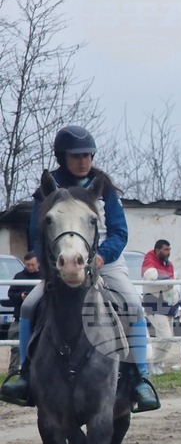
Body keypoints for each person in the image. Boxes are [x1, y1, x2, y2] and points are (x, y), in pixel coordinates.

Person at [0, 126, 159, 411]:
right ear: (63, 157)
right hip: (63, 263)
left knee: (133, 305)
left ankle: (140, 378)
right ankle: (24, 374)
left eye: (87, 155)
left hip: (105, 261)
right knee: (29, 307)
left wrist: (101, 257)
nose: (83, 160)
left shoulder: (103, 189)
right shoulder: (47, 190)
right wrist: (48, 261)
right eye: (76, 155)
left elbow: (119, 232)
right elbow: (38, 234)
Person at [141, 240, 180, 375]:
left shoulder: (168, 264)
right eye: (165, 249)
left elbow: (171, 283)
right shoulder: (149, 261)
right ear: (157, 250)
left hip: (168, 304)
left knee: (167, 339)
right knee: (166, 337)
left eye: (169, 249)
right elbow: (150, 276)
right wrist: (166, 280)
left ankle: (157, 364)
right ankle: (153, 364)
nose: (168, 252)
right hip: (154, 305)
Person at [2, 253, 41, 374]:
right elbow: (11, 295)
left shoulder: (45, 276)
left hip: (40, 319)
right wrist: (20, 297)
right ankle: (13, 373)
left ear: (38, 263)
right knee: (16, 347)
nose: (30, 267)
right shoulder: (19, 276)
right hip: (20, 317)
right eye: (27, 265)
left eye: (32, 265)